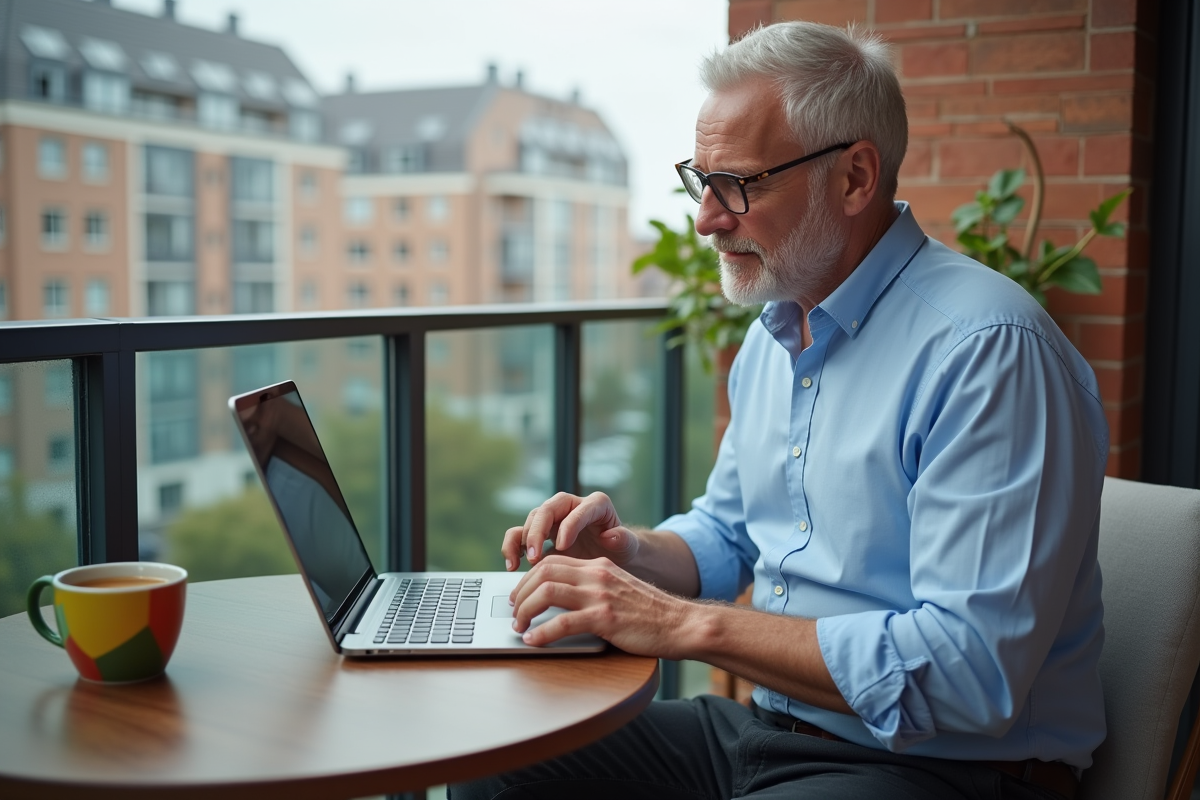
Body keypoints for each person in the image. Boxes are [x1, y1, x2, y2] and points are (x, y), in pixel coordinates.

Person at [452, 20, 1106, 800]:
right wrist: (627, 552)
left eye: (740, 184)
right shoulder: (777, 334)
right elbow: (729, 534)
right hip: (767, 733)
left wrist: (676, 624)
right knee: (497, 761)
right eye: (702, 180)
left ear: (855, 178)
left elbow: (969, 674)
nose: (705, 219)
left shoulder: (988, 351)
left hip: (942, 769)